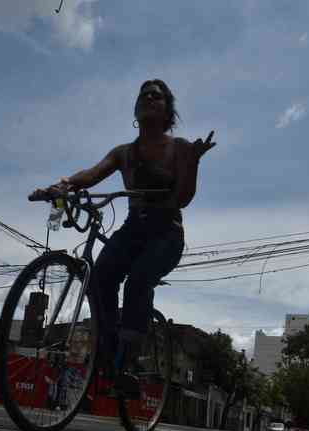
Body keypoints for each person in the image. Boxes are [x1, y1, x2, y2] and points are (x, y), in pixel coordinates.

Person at [38, 79, 216, 395]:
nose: (149, 98)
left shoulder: (181, 148)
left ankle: (130, 358)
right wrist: (63, 185)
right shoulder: (124, 153)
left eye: (157, 96)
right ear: (136, 108)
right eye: (144, 95)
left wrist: (193, 163)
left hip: (166, 232)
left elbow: (183, 199)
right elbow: (91, 175)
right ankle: (108, 350)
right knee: (100, 277)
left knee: (137, 280)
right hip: (133, 228)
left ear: (168, 110)